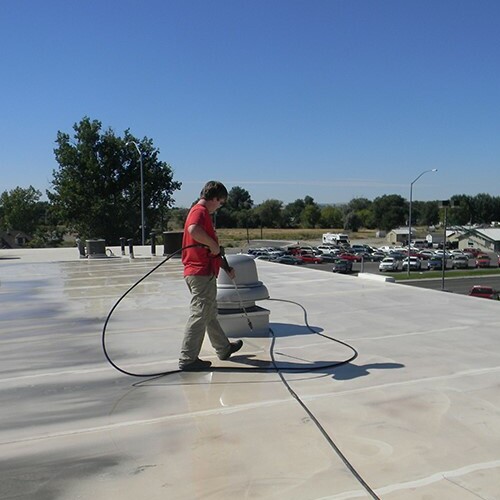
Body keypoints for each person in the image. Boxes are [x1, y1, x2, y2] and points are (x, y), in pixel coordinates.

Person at [179, 180, 243, 371]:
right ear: (215, 198)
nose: (220, 207)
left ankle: (223, 348)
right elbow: (194, 231)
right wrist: (213, 245)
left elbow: (210, 250)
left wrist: (225, 266)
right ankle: (187, 359)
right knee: (200, 314)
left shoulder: (201, 213)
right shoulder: (200, 212)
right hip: (199, 272)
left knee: (209, 313)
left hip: (203, 271)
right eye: (221, 203)